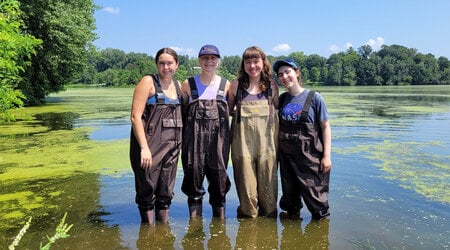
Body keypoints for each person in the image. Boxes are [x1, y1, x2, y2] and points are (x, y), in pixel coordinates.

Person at [273, 58, 332, 220]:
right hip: (286, 157)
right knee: (290, 196)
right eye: (280, 74)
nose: (284, 77)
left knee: (316, 196)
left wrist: (327, 156)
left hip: (310, 157)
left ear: (296, 73)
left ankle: (320, 230)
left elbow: (326, 127)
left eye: (287, 72)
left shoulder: (314, 98)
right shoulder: (282, 100)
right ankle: (292, 229)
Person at [129, 48, 183, 225]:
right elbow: (135, 116)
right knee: (147, 189)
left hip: (172, 148)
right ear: (156, 64)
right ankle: (147, 233)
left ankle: (162, 232)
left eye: (169, 63)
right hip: (149, 146)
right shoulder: (148, 82)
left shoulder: (178, 86)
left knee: (166, 190)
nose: (165, 67)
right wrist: (144, 148)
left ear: (176, 64)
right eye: (161, 63)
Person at [227, 46, 279, 218]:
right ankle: (248, 226)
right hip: (242, 148)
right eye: (248, 62)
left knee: (269, 191)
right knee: (247, 192)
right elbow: (225, 112)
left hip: (268, 147)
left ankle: (268, 232)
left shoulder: (272, 86)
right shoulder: (236, 85)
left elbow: (279, 110)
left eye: (256, 61)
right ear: (243, 65)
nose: (252, 66)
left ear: (263, 63)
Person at [180, 44, 231, 219]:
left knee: (219, 182)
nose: (209, 61)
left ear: (218, 61)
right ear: (199, 61)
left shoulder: (226, 85)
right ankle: (195, 224)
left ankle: (220, 225)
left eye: (213, 58)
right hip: (192, 143)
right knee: (193, 181)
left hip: (219, 144)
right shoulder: (188, 84)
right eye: (205, 58)